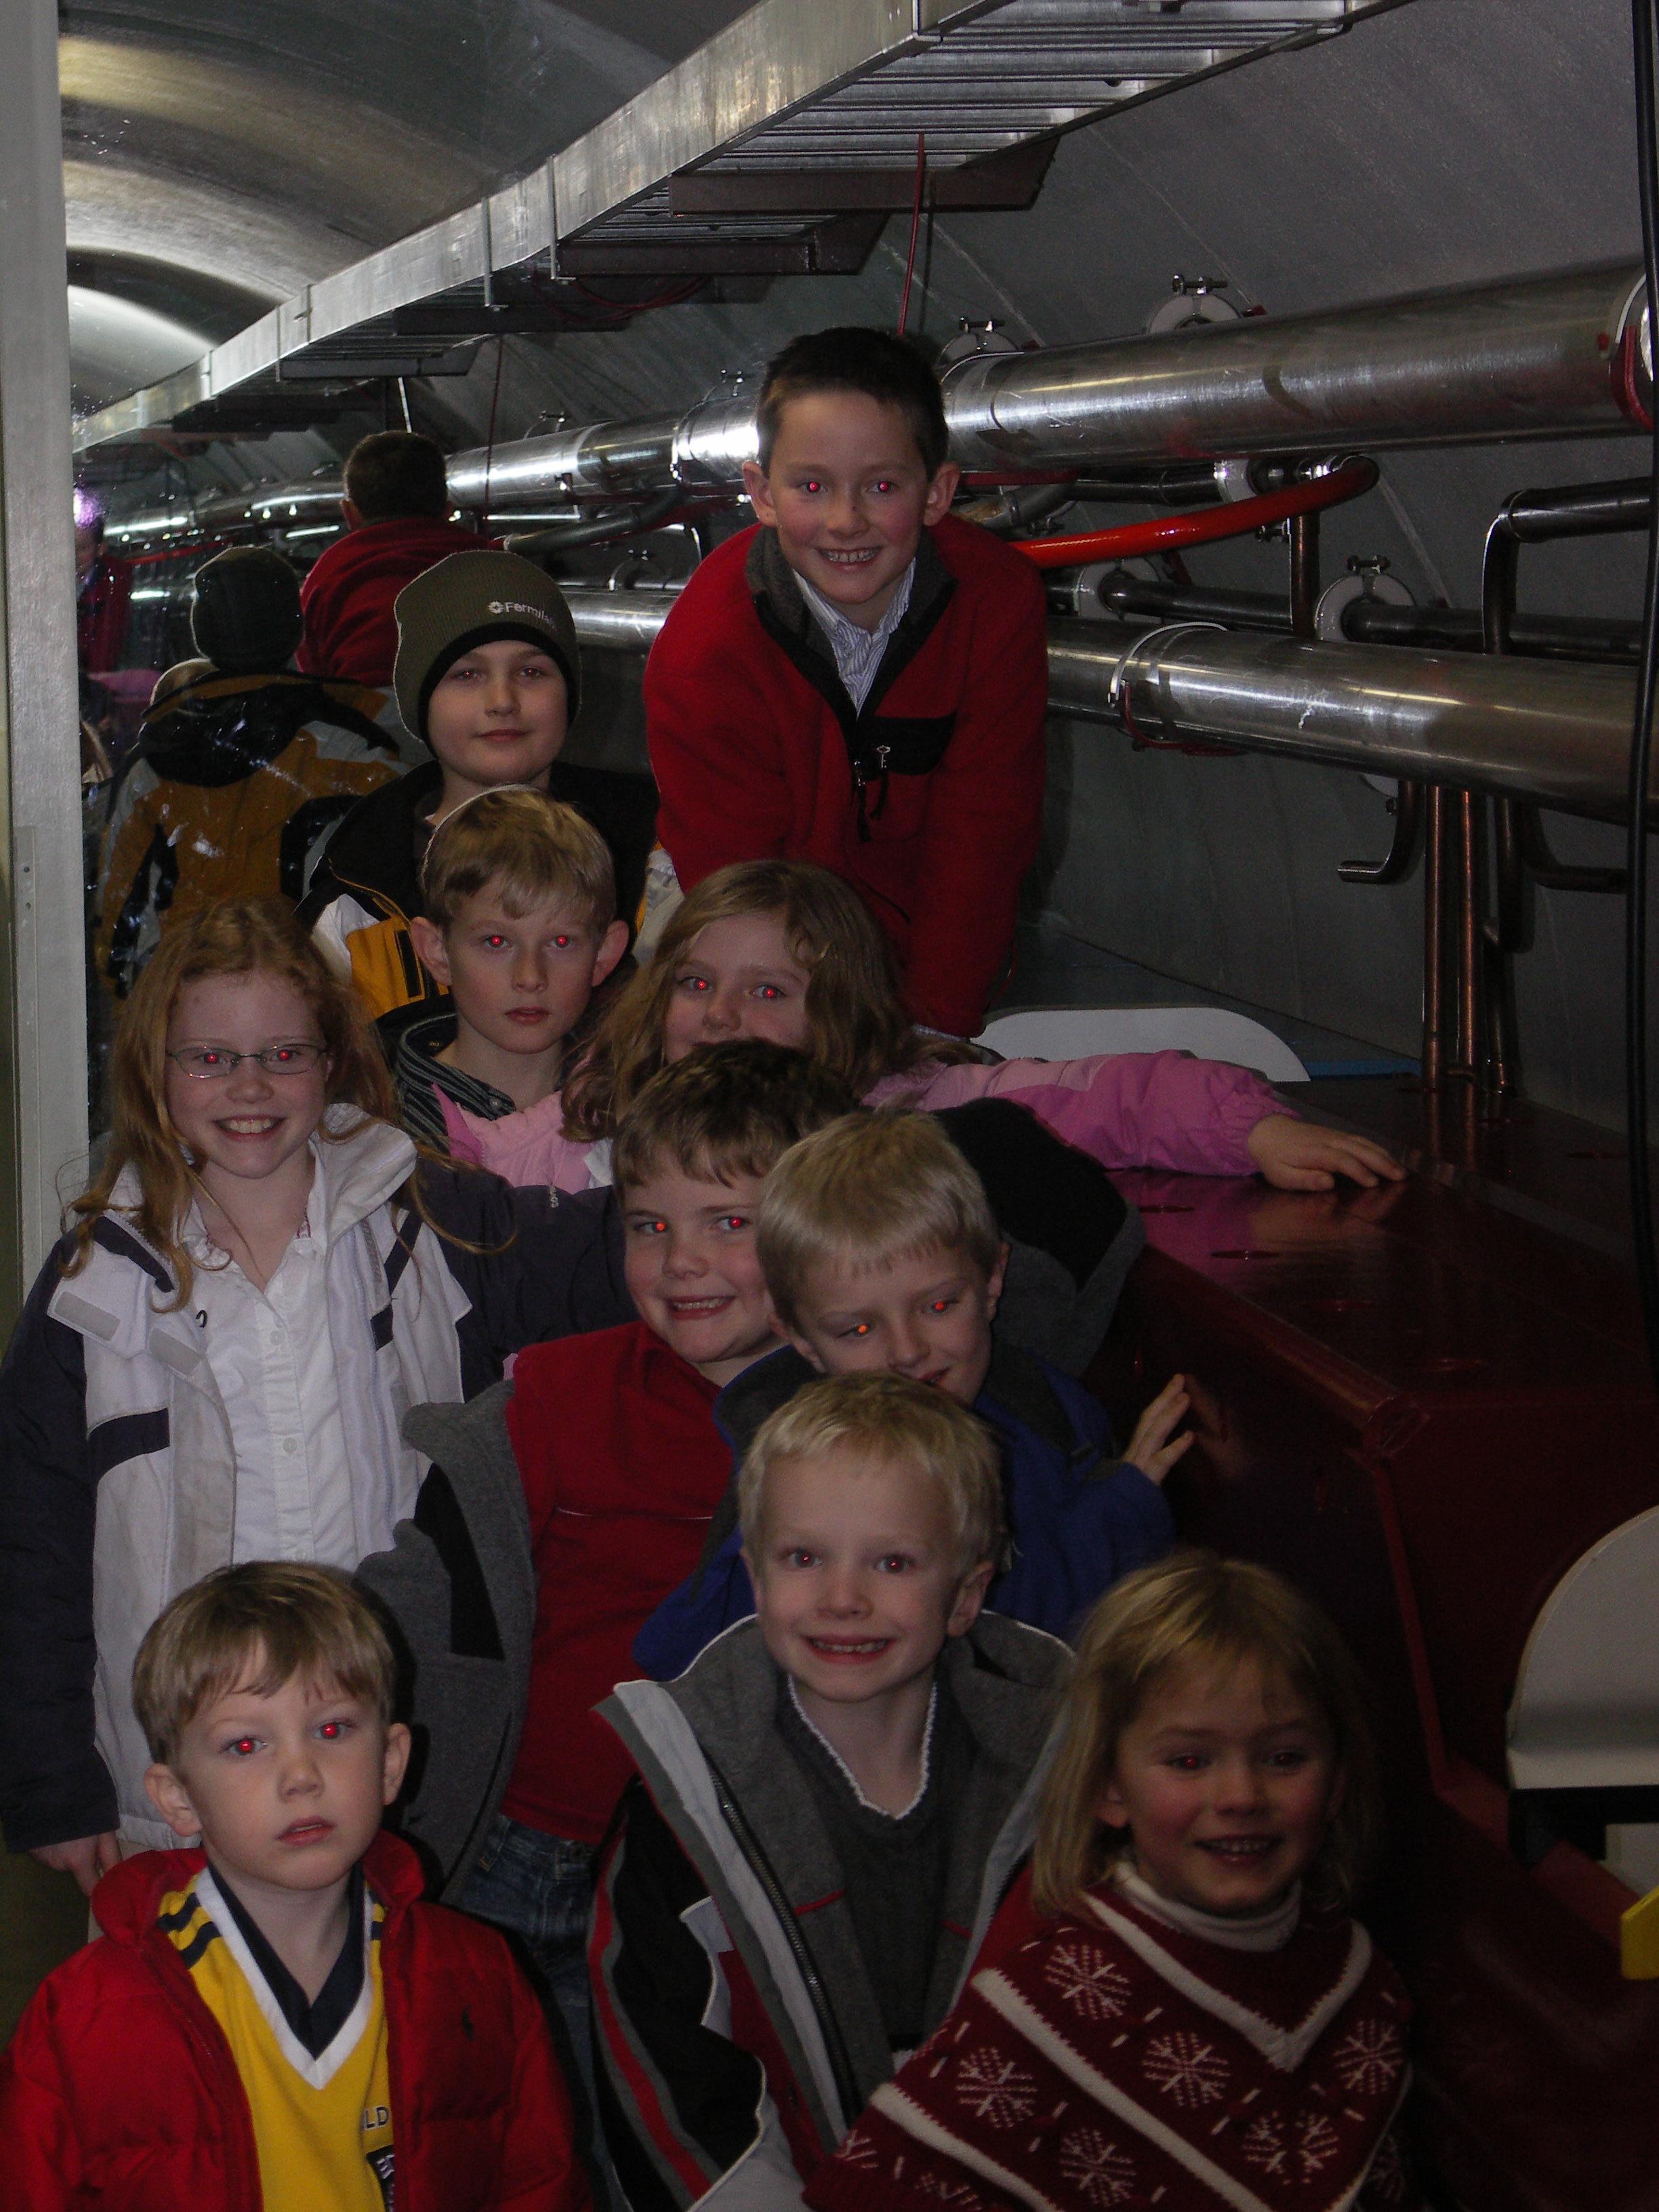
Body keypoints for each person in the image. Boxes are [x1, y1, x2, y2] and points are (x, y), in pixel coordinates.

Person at [0, 899, 632, 1897]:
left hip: (386, 1771)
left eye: (284, 1055)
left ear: (331, 1062)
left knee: (386, 1993)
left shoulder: (429, 1221)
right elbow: (32, 1540)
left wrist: (748, 1189)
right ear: (154, 1070)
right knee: (196, 1997)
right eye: (209, 1058)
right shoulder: (94, 1281)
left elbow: (621, 1252)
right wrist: (52, 1781)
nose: (249, 1087)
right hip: (178, 1790)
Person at [358, 1044, 860, 2167]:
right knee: (506, 2151)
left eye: (729, 1223)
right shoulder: (558, 1393)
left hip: (719, 1886)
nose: (682, 1261)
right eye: (648, 1224)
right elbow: (415, 1595)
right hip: (514, 1860)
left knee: (671, 2153)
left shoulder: (858, 1430)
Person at [590, 1370, 1069, 2211]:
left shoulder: (1058, 1773)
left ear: (966, 1596)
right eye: (804, 1558)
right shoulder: (688, 1795)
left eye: (893, 1562)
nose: (844, 1600)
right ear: (756, 1576)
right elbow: (664, 2082)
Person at [806, 1554, 1418, 2212]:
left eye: (1284, 1758)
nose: (1241, 1795)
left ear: (1337, 1783)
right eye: (1190, 1761)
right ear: (1108, 1787)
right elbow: (874, 2189)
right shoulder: (1054, 1998)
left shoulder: (1359, 1985)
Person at [0, 1561, 586, 2212]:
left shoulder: (478, 1977)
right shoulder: (83, 2016)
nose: (301, 1775)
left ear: (391, 1763)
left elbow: (542, 2185)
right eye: (245, 1746)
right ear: (178, 1797)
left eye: (332, 1730)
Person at [472, 858, 1401, 1197]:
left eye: (768, 993)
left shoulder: (907, 1111)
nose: (719, 1016)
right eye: (697, 983)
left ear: (838, 1018)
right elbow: (479, 1189)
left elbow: (1104, 1097)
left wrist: (1252, 1130)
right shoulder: (595, 1125)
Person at [636, 1107, 1186, 1678]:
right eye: (858, 1329)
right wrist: (1119, 1516)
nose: (907, 1352)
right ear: (799, 1337)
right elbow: (981, 1638)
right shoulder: (805, 1473)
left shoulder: (1045, 1408)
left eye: (939, 1306)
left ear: (993, 1280)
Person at [644, 325, 1050, 1040]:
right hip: (740, 917)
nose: (845, 521)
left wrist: (936, 1029)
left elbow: (983, 838)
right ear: (761, 494)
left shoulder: (996, 602)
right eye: (811, 486)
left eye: (882, 486)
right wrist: (816, 1042)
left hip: (909, 930)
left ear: (937, 493)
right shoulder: (708, 647)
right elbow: (735, 881)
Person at [299, 548, 657, 1023]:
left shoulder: (658, 864)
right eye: (466, 675)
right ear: (421, 704)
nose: (502, 701)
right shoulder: (355, 903)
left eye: (531, 672)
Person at [93, 545, 400, 1000]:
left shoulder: (148, 768)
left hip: (192, 1011)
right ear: (295, 628)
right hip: (323, 1011)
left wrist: (144, 1027)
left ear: (202, 635)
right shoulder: (362, 751)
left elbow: (120, 930)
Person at [392, 786, 630, 1157]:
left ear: (603, 955)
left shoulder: (636, 1119)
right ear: (437, 953)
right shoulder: (385, 1136)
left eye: (561, 942)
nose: (531, 977)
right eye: (496, 942)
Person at [297, 429, 490, 689]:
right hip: (473, 697)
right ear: (448, 510)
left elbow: (313, 671)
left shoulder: (327, 574)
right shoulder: (491, 560)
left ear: (349, 514)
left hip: (365, 706)